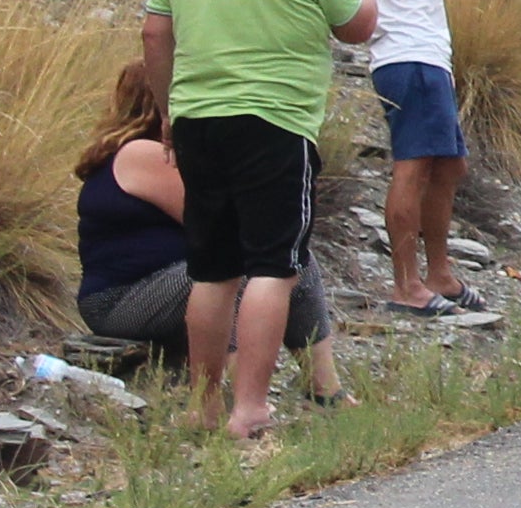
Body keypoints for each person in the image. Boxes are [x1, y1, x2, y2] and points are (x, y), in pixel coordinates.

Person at [141, 0, 376, 439]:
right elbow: (357, 28)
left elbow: (154, 33)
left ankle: (201, 405)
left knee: (212, 268)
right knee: (274, 265)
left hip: (197, 119)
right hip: (274, 123)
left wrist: (168, 111)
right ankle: (250, 409)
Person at [72, 51, 344, 404]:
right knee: (234, 269)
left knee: (291, 257)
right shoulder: (144, 153)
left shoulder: (158, 152)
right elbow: (216, 223)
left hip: (164, 283)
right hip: (122, 298)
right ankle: (233, 391)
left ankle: (326, 387)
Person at [347, 0, 513, 319]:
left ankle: (437, 273)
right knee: (414, 167)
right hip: (407, 53)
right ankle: (408, 283)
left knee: (449, 164)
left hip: (420, 54)